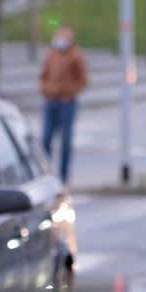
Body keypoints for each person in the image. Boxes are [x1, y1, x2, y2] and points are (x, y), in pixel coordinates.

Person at [40, 25, 88, 182]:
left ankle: (63, 176)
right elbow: (44, 75)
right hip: (51, 100)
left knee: (66, 140)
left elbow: (83, 80)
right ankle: (45, 173)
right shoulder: (51, 54)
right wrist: (46, 90)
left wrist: (69, 92)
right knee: (46, 138)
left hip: (66, 102)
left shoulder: (76, 56)